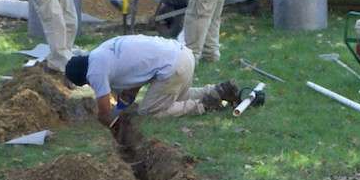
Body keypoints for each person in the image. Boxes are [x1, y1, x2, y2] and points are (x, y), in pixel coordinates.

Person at [64, 34, 238, 127]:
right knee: (178, 98)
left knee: (149, 110)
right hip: (182, 54)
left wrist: (109, 125)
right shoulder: (102, 50)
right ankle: (217, 91)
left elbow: (103, 112)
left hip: (172, 66)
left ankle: (205, 105)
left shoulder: (95, 71)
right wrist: (127, 98)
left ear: (84, 78)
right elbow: (138, 71)